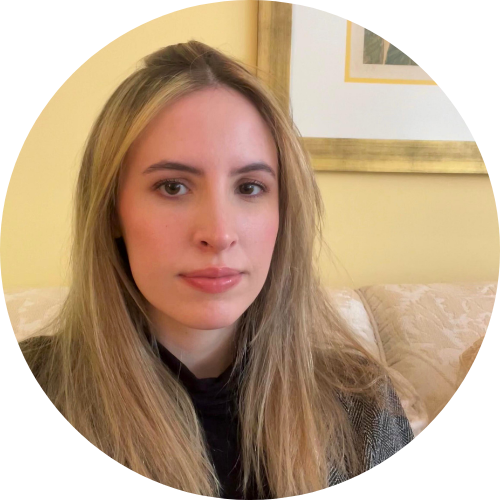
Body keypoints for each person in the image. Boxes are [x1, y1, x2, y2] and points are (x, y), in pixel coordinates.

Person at [20, 40, 413, 499]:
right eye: (172, 187)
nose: (219, 233)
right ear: (112, 212)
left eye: (249, 187)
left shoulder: (361, 402)